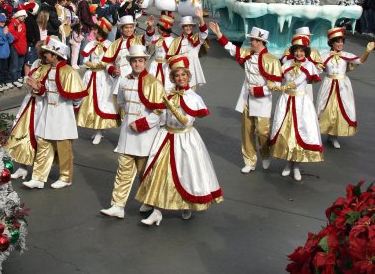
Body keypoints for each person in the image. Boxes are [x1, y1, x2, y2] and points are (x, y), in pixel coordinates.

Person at [136, 56, 223, 225]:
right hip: (166, 136)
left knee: (187, 174)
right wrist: (142, 123)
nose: (181, 78)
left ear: (188, 76)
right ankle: (156, 211)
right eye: (177, 76)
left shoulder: (193, 98)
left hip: (185, 140)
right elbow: (160, 115)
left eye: (184, 75)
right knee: (159, 172)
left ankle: (186, 205)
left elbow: (186, 121)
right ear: (173, 78)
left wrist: (172, 107)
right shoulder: (168, 95)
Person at [100, 45, 164, 219]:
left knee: (146, 172)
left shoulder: (154, 82)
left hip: (145, 136)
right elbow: (121, 102)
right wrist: (129, 121)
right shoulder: (124, 81)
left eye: (141, 61)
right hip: (128, 134)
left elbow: (160, 111)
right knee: (123, 170)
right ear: (130, 62)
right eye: (134, 61)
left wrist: (142, 123)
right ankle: (117, 205)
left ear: (145, 62)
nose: (137, 64)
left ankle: (151, 203)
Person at [210, 22, 282, 173]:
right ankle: (250, 161)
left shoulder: (272, 60)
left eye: (253, 40)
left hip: (262, 100)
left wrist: (260, 90)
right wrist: (218, 33)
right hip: (247, 99)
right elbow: (231, 49)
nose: (251, 42)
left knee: (263, 132)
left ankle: (265, 154)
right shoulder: (247, 54)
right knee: (247, 132)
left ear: (261, 42)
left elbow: (276, 84)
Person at [22, 38, 87, 189]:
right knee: (44, 143)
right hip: (47, 112)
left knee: (63, 147)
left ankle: (66, 177)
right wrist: (37, 87)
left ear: (55, 55)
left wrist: (71, 109)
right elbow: (44, 90)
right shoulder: (47, 69)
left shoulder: (69, 72)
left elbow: (78, 96)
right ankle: (38, 177)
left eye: (48, 53)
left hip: (63, 114)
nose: (45, 55)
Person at [268, 35, 323, 181]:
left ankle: (297, 166)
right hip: (286, 101)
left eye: (302, 51)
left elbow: (299, 81)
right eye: (297, 50)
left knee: (300, 132)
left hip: (301, 102)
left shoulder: (309, 66)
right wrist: (272, 84)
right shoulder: (286, 64)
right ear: (293, 51)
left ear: (306, 51)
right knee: (286, 132)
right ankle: (288, 163)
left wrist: (283, 87)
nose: (299, 53)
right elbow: (278, 78)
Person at [316, 27, 374, 149]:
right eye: (337, 41)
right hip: (329, 84)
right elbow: (318, 69)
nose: (340, 44)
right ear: (332, 43)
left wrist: (367, 51)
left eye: (342, 41)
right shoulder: (324, 55)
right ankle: (327, 133)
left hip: (343, 86)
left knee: (340, 110)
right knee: (327, 109)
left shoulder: (346, 55)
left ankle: (334, 136)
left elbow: (359, 61)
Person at [5, 47, 47, 180]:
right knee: (23, 134)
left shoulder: (55, 69)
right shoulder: (37, 64)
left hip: (44, 106)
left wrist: (39, 88)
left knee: (41, 138)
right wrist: (32, 83)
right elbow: (31, 77)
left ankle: (39, 172)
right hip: (31, 103)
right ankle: (22, 167)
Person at [76, 18, 120, 145]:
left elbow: (111, 61)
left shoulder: (109, 44)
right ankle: (96, 129)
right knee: (89, 102)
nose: (93, 31)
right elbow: (84, 58)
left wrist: (102, 65)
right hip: (91, 75)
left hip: (103, 76)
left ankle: (100, 131)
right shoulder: (91, 43)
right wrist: (90, 64)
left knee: (102, 102)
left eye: (95, 29)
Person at [103, 15, 155, 79]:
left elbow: (148, 38)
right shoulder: (114, 44)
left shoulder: (138, 39)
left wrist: (150, 27)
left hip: (136, 76)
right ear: (121, 29)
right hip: (119, 78)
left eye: (131, 27)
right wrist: (113, 70)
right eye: (126, 28)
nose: (129, 30)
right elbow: (107, 62)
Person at [167, 7, 208, 88]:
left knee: (190, 96)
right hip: (180, 75)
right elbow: (170, 58)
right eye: (186, 26)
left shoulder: (196, 38)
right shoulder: (177, 41)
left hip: (192, 73)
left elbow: (204, 33)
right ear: (182, 27)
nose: (188, 28)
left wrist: (201, 18)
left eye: (190, 26)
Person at [280, 26, 323, 100]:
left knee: (306, 99)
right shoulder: (289, 50)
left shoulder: (314, 51)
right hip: (291, 78)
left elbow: (320, 66)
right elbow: (283, 61)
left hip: (307, 80)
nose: (308, 38)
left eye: (308, 36)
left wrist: (314, 67)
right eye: (305, 36)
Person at [147, 14, 175, 91]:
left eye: (158, 27)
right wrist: (150, 27)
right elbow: (149, 37)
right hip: (155, 66)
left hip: (166, 67)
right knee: (152, 87)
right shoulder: (157, 37)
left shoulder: (172, 40)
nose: (157, 28)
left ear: (161, 28)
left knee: (166, 87)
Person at [0, 13, 15, 91]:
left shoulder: (4, 29)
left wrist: (7, 33)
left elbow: (11, 39)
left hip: (5, 55)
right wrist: (4, 34)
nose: (3, 23)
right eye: (1, 21)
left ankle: (2, 82)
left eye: (4, 22)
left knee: (4, 70)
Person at [8, 8, 28, 87]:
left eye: (24, 16)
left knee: (20, 65)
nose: (23, 17)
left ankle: (18, 78)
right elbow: (12, 37)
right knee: (14, 65)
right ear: (17, 16)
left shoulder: (23, 24)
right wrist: (18, 32)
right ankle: (13, 80)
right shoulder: (12, 24)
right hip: (15, 46)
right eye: (21, 16)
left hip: (22, 46)